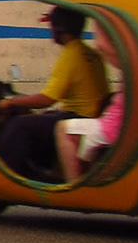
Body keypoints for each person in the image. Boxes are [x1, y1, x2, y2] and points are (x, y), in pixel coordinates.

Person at [0, 6, 110, 178]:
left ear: (59, 28)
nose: (50, 31)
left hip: (78, 118)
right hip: (90, 116)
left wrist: (11, 101)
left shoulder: (71, 55)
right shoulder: (91, 54)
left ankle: (0, 178)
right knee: (45, 118)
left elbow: (46, 99)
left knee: (19, 125)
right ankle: (45, 171)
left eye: (51, 27)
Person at [54, 20, 125, 183]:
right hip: (113, 122)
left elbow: (103, 46)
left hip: (113, 127)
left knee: (62, 128)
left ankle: (74, 186)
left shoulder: (132, 62)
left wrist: (98, 19)